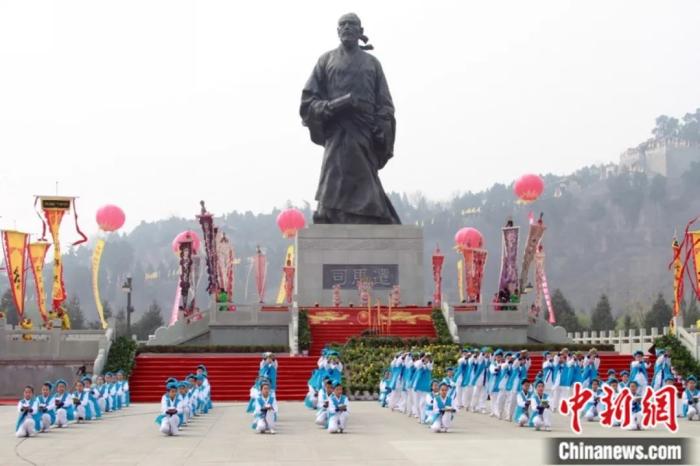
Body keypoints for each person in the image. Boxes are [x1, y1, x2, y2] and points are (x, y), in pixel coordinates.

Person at [299, 12, 400, 225]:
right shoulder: (326, 61)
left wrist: (382, 128)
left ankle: (370, 213)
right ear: (337, 31)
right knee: (334, 175)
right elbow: (308, 101)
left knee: (366, 180)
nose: (346, 27)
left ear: (360, 31)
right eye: (342, 24)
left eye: (351, 24)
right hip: (337, 132)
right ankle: (330, 212)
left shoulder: (373, 64)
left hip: (364, 134)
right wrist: (333, 106)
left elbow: (385, 105)